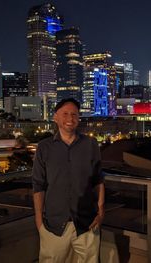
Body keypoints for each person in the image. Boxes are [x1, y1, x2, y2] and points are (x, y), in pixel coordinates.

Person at [32, 98, 105, 263]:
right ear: (55, 117)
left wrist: (100, 212)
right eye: (65, 114)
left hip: (87, 222)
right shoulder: (44, 147)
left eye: (74, 114)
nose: (70, 118)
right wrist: (38, 221)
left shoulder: (90, 144)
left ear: (79, 118)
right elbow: (38, 185)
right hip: (54, 223)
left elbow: (98, 179)